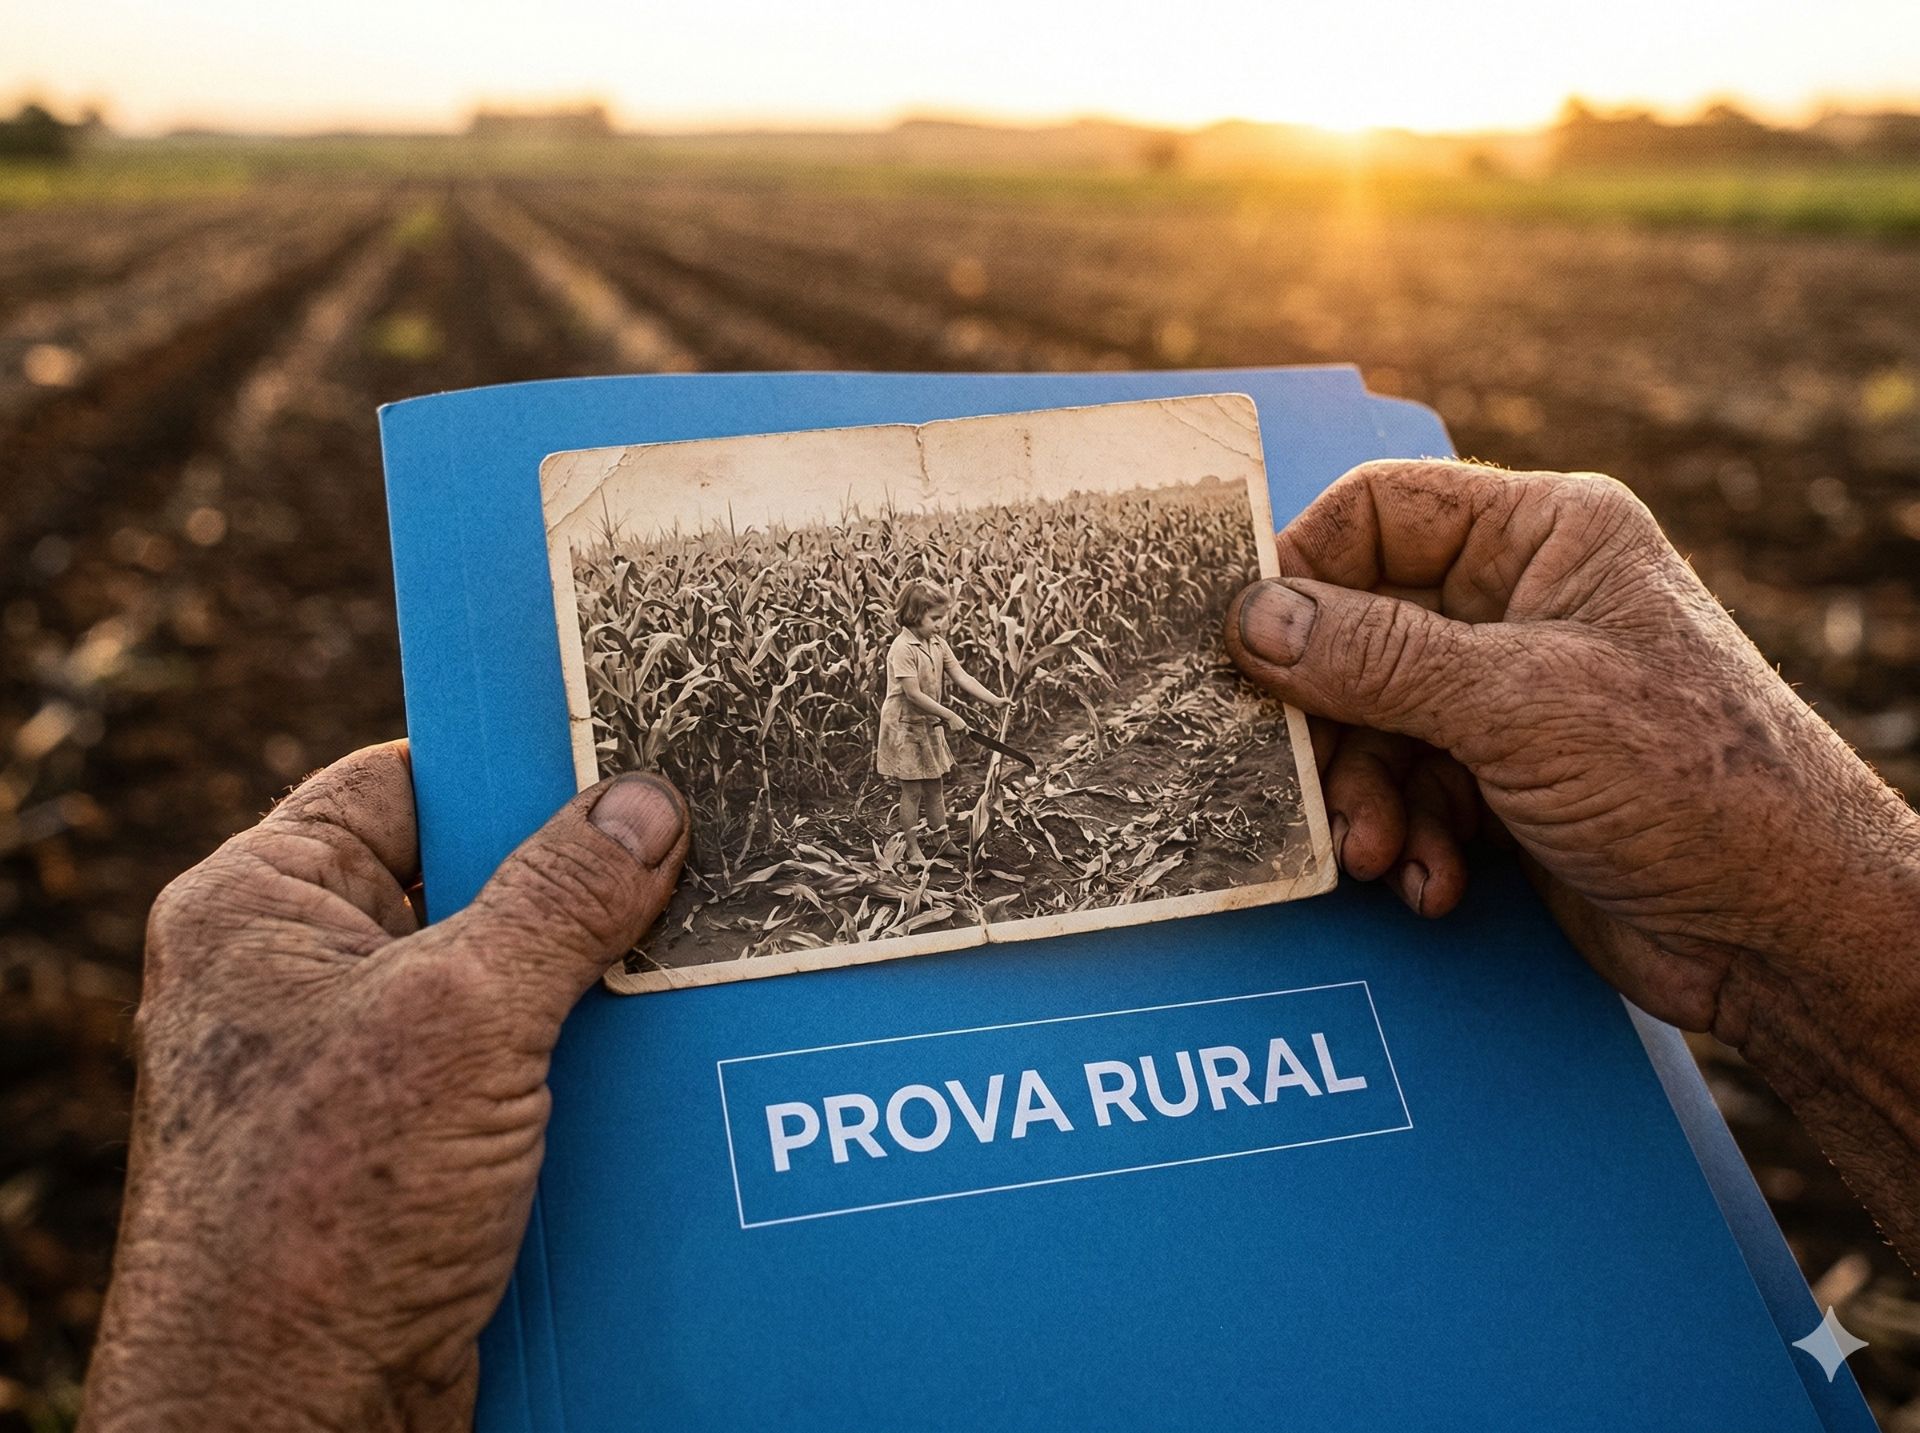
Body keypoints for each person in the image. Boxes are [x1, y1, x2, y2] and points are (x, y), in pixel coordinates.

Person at [79, 461, 1918, 1431]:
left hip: (932, 733)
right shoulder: (883, 645)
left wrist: (241, 1384)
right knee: (928, 804)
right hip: (906, 741)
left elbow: (951, 669)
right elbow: (931, 672)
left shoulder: (918, 639)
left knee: (944, 802)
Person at [875, 578, 1009, 862]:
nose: (941, 624)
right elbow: (912, 694)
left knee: (935, 787)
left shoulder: (937, 643)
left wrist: (993, 699)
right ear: (914, 614)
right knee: (911, 791)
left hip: (927, 723)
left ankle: (942, 840)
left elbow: (961, 676)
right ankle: (912, 849)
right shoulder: (903, 648)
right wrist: (949, 715)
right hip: (904, 725)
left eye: (943, 618)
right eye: (935, 618)